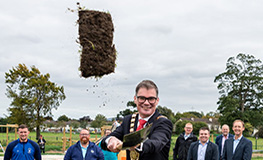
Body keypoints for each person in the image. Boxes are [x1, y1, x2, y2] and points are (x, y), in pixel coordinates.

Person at [100, 80, 173, 160]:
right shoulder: (128, 120)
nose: (146, 103)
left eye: (151, 99)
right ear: (135, 99)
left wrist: (136, 145)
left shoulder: (163, 122)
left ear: (157, 101)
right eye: (142, 98)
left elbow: (156, 143)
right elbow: (106, 140)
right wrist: (111, 140)